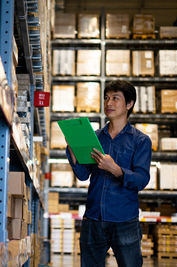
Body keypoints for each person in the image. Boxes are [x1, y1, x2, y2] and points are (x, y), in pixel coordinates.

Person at [66, 80, 152, 267]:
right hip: (93, 219)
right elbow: (82, 175)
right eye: (106, 98)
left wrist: (115, 169)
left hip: (124, 220)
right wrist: (73, 153)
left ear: (129, 104)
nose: (108, 103)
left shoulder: (140, 141)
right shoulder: (94, 138)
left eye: (115, 98)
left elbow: (141, 180)